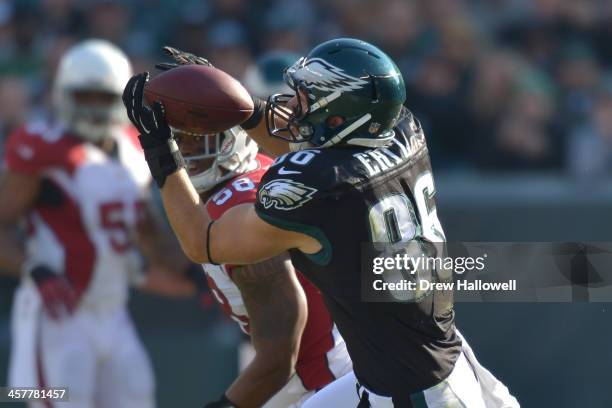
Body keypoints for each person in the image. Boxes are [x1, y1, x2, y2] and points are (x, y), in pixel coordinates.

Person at [123, 38, 518, 407]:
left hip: (410, 389)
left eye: (306, 100)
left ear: (337, 116)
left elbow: (203, 240)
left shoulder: (319, 190)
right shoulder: (401, 128)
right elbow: (317, 148)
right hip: (413, 358)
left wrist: (159, 146)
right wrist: (235, 106)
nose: (293, 108)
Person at [0, 39, 171, 408]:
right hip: (58, 314)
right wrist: (34, 268)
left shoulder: (134, 150)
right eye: (85, 96)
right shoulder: (41, 148)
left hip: (115, 309)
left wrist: (187, 277)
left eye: (103, 97)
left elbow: (146, 236)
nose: (94, 108)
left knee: (138, 398)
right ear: (64, 95)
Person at [173, 125, 351, 407]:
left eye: (200, 137)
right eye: (178, 138)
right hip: (323, 368)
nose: (186, 150)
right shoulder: (264, 170)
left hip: (323, 378)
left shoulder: (234, 207)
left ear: (234, 138)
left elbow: (281, 352)